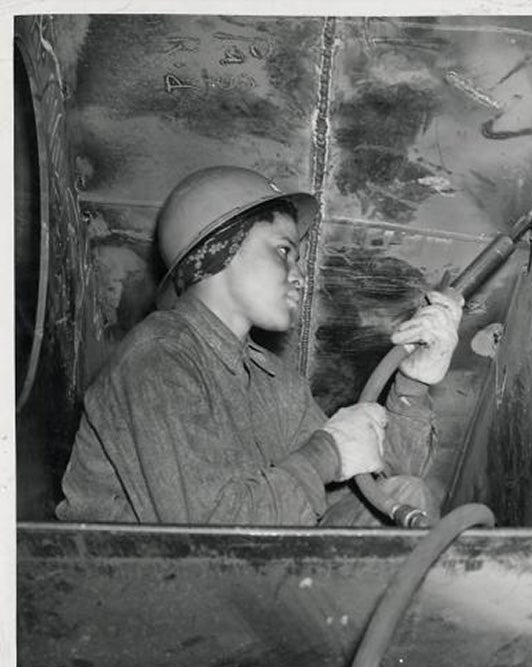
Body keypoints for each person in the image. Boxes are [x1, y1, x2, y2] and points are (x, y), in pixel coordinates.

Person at [56, 166, 463, 526]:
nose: (300, 276)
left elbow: (374, 485)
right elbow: (204, 535)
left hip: (232, 591)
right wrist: (326, 453)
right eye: (284, 251)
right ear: (219, 251)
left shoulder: (273, 382)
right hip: (133, 600)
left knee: (406, 494)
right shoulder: (157, 359)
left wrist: (413, 382)